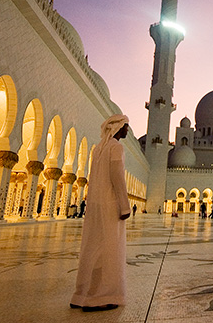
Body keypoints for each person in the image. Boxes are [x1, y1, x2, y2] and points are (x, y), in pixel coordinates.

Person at [70, 115, 131, 312]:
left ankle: (81, 295)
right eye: (126, 127)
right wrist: (124, 206)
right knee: (110, 250)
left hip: (95, 206)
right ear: (118, 128)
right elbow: (117, 178)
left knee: (91, 249)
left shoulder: (99, 148)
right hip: (110, 206)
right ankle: (102, 297)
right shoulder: (116, 147)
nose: (128, 131)